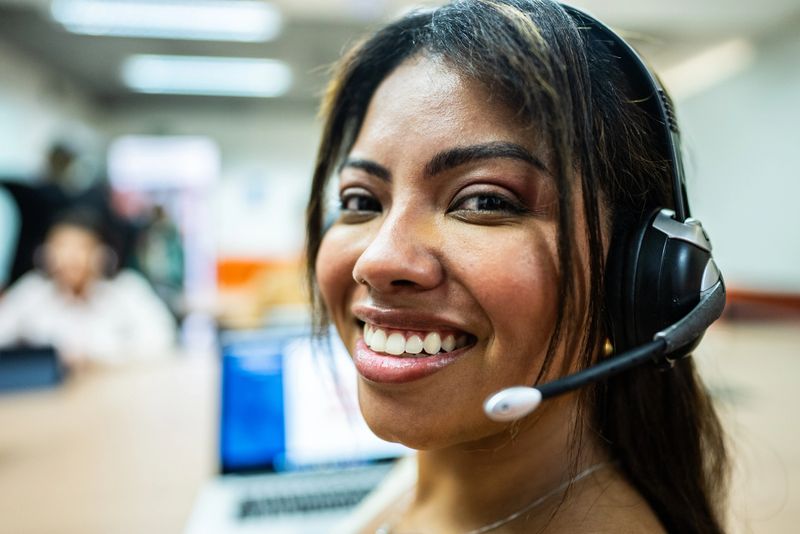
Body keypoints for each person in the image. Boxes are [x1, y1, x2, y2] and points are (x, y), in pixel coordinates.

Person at [305, 1, 728, 533]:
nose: (378, 260)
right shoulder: (432, 478)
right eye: (362, 200)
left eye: (484, 201)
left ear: (638, 274)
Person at [0, 208, 177, 367]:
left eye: (81, 248)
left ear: (101, 254)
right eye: (61, 247)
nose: (70, 257)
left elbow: (163, 337)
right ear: (46, 254)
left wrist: (98, 358)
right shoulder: (32, 292)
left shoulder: (126, 289)